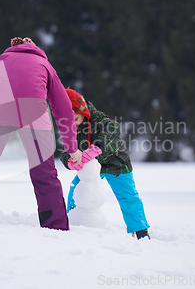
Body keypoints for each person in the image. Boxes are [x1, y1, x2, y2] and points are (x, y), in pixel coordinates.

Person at [0, 37, 81, 231]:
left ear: (13, 47)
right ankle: (55, 225)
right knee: (44, 173)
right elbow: (63, 108)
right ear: (35, 48)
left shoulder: (0, 60)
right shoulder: (45, 64)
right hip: (34, 113)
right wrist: (72, 148)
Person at [60, 88, 150, 239]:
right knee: (76, 191)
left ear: (83, 112)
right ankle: (73, 222)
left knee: (128, 196)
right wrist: (69, 162)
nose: (73, 125)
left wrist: (97, 148)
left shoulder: (100, 120)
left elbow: (112, 131)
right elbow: (66, 149)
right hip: (93, 168)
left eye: (75, 120)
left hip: (117, 165)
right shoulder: (70, 128)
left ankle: (140, 231)